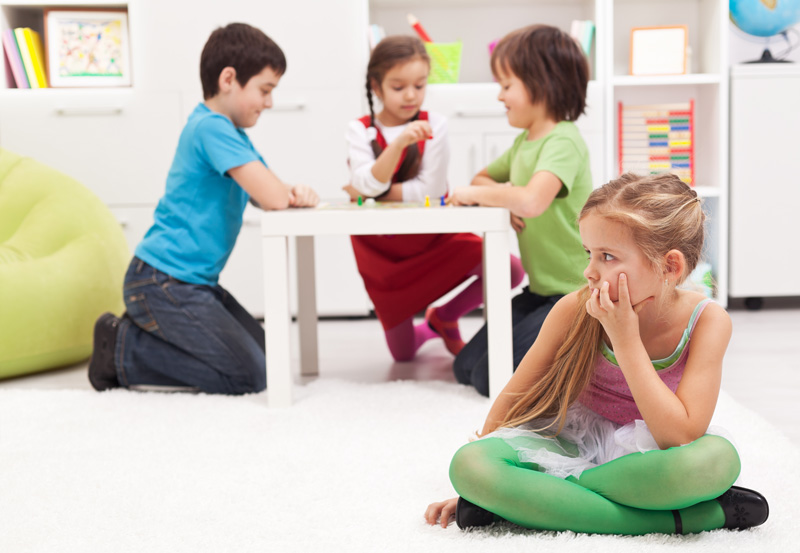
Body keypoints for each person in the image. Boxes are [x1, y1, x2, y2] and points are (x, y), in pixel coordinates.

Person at [424, 173, 769, 535]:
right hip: (571, 444)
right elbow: (516, 396)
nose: (589, 271)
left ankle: (547, 502)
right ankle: (692, 517)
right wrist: (475, 485)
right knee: (470, 465)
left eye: (606, 256)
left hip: (648, 459)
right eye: (589, 253)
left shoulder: (708, 322)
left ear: (670, 266)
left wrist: (626, 341)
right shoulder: (573, 309)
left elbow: (678, 437)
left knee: (717, 462)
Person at [87, 23, 319, 394]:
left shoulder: (231, 133)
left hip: (190, 284)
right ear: (229, 79)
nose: (269, 103)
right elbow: (273, 196)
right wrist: (284, 193)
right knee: (253, 376)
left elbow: (266, 192)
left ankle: (147, 338)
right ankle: (121, 348)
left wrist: (295, 191)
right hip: (162, 282)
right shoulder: (212, 129)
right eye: (265, 90)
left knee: (267, 361)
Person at [344, 35, 524, 361]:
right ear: (376, 85)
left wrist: (371, 190)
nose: (411, 95)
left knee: (510, 270)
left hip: (433, 236)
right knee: (402, 355)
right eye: (399, 87)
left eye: (420, 85)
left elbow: (424, 192)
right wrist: (397, 146)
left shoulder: (435, 125)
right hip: (382, 249)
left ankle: (444, 316)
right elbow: (373, 185)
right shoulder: (359, 130)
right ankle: (432, 327)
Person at [448, 25, 593, 396]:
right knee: (465, 368)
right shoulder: (523, 143)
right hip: (540, 291)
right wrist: (501, 193)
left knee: (488, 379)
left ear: (540, 84)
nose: (500, 96)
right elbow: (483, 179)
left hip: (575, 297)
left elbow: (532, 200)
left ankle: (589, 350)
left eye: (506, 85)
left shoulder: (563, 140)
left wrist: (490, 194)